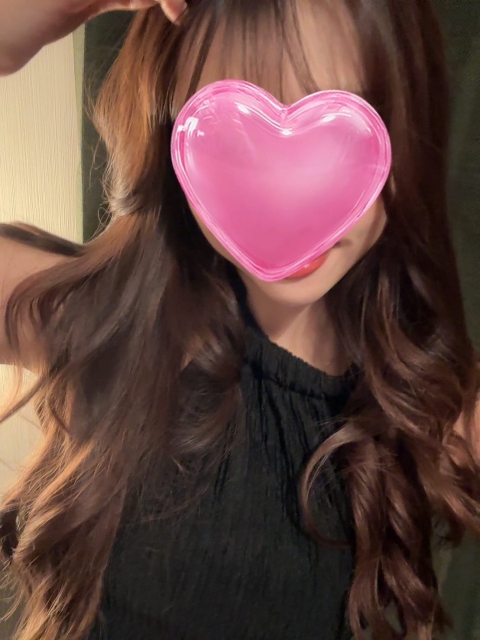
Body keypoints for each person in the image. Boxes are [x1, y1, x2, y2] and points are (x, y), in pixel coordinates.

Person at [0, 1, 479, 639]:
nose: (289, 201)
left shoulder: (436, 403)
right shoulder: (106, 320)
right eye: (233, 141)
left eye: (341, 134)